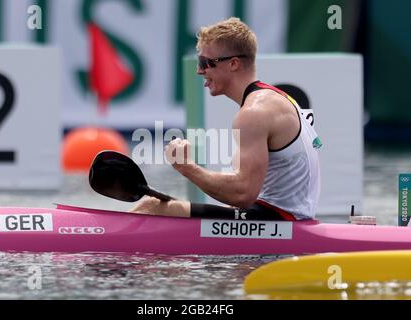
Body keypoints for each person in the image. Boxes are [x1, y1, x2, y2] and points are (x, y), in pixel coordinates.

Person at [130, 17, 321, 221]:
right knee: (164, 208)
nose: (199, 70)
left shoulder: (254, 113)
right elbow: (242, 197)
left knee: (150, 208)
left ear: (233, 64)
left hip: (281, 220)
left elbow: (244, 193)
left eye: (206, 63)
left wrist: (186, 167)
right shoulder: (274, 99)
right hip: (279, 215)